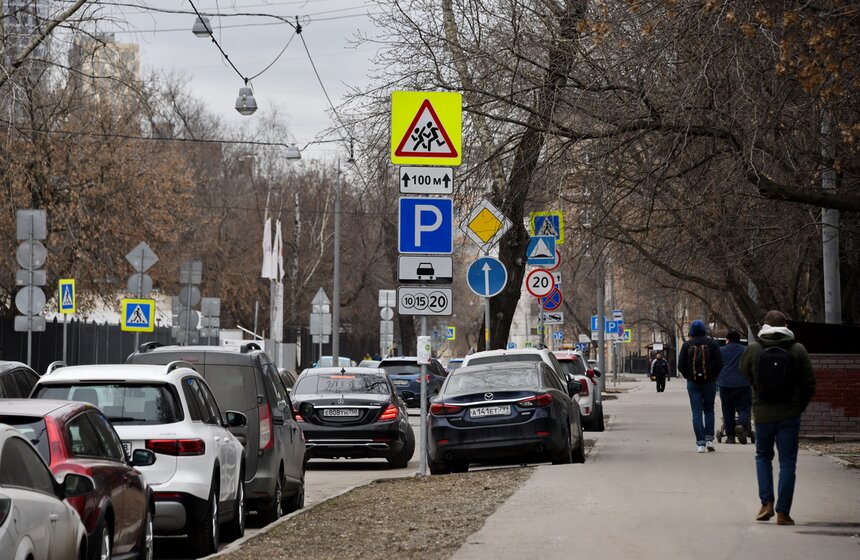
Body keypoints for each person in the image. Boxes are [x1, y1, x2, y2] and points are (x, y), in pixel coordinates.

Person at [740, 310, 815, 526]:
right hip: (790, 415)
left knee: (763, 457)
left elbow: (744, 372)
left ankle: (766, 504)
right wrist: (799, 407)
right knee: (788, 462)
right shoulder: (797, 349)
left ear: (765, 326)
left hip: (763, 415)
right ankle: (783, 513)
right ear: (786, 327)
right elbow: (809, 383)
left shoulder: (754, 349)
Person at [677, 320, 723, 453]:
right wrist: (713, 376)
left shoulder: (687, 345)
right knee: (709, 410)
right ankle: (709, 439)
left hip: (693, 383)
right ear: (704, 330)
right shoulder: (712, 344)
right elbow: (720, 363)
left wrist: (689, 377)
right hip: (709, 382)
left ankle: (701, 443)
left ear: (691, 331)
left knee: (696, 412)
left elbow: (680, 365)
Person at [718, 330, 752, 444]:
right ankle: (741, 425)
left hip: (725, 384)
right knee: (744, 408)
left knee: (727, 410)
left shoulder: (721, 350)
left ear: (727, 339)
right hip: (742, 384)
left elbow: (717, 365)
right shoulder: (746, 350)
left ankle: (730, 437)